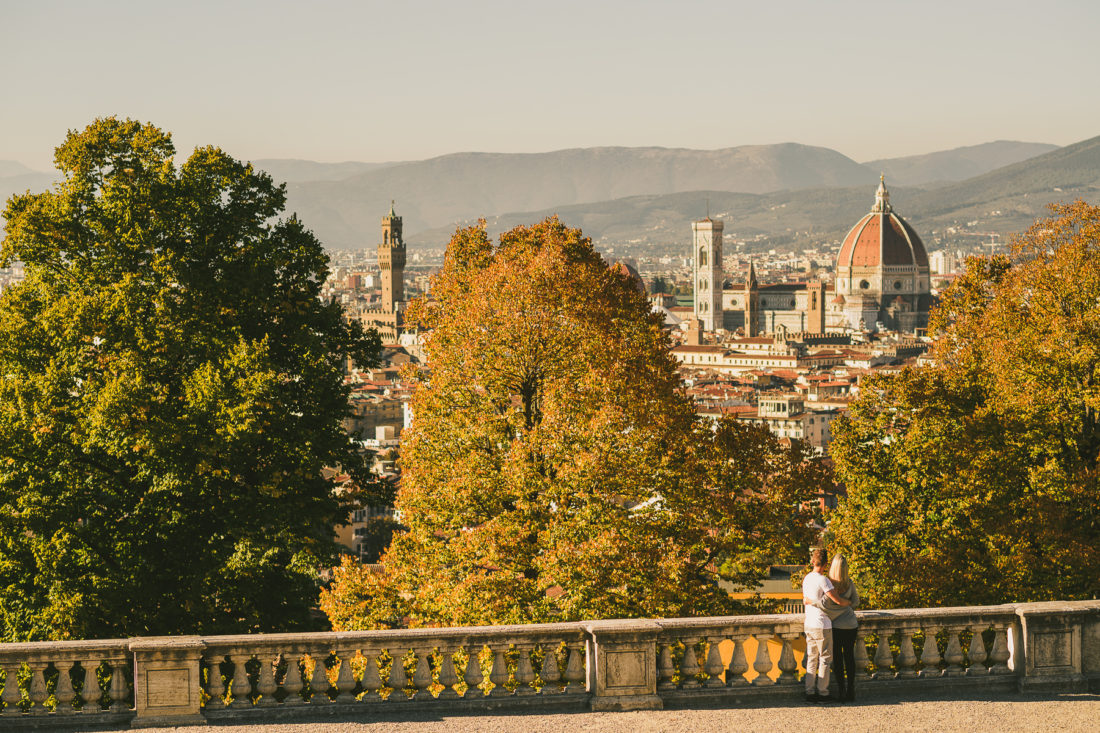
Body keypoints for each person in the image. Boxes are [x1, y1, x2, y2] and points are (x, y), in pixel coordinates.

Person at [802, 547, 849, 703]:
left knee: (811, 658)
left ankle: (809, 692)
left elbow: (806, 600)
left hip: (809, 623)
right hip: (822, 624)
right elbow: (837, 600)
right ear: (825, 564)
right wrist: (849, 603)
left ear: (813, 561)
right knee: (824, 659)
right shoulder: (823, 580)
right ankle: (823, 692)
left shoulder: (807, 578)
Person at [822, 553, 860, 702]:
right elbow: (855, 602)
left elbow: (823, 605)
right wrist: (846, 604)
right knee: (849, 657)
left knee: (837, 658)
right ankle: (851, 690)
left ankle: (841, 691)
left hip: (835, 626)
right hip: (851, 625)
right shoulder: (849, 583)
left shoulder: (828, 584)